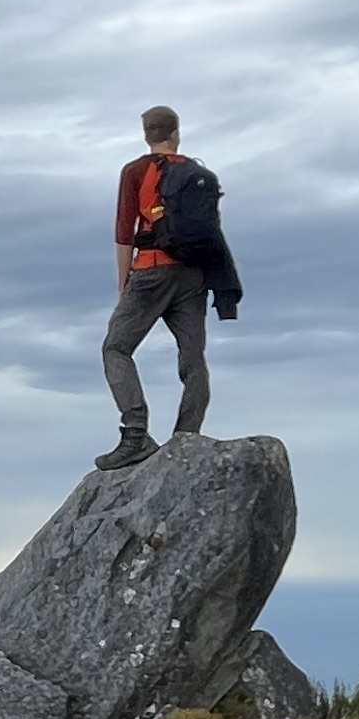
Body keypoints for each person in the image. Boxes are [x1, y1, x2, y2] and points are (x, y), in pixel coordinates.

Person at [97, 103, 242, 469]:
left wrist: (123, 282)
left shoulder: (135, 171)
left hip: (151, 272)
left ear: (147, 136)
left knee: (116, 347)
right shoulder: (198, 175)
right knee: (193, 360)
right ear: (176, 133)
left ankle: (135, 434)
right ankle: (186, 439)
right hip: (193, 276)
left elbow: (124, 231)